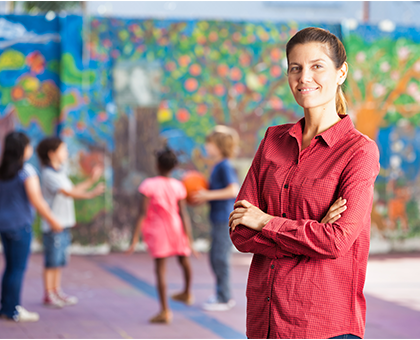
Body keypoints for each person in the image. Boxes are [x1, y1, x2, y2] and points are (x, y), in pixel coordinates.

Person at [229, 27, 380, 339]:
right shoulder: (273, 139)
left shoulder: (359, 151)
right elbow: (241, 232)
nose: (303, 78)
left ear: (341, 72)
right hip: (265, 320)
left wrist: (267, 222)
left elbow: (336, 241)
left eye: (317, 66)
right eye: (295, 68)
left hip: (323, 324)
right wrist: (312, 233)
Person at [126, 146, 195, 324]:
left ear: (157, 165)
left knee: (160, 270)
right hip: (176, 227)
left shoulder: (149, 185)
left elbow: (142, 212)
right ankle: (187, 292)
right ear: (174, 166)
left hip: (158, 231)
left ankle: (165, 311)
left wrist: (134, 238)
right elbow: (183, 213)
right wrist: (190, 238)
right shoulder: (178, 185)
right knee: (184, 260)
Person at [0, 132, 63, 322]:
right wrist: (53, 220)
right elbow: (37, 200)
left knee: (10, 267)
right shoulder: (27, 172)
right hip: (20, 226)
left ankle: (7, 307)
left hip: (4, 225)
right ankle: (12, 310)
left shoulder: (3, 171)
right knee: (17, 268)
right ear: (22, 149)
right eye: (28, 146)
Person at [36, 137, 105, 308]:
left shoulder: (60, 172)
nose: (66, 152)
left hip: (63, 224)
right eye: (63, 149)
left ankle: (56, 291)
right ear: (52, 154)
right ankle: (49, 294)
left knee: (59, 261)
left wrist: (90, 182)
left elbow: (72, 190)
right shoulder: (48, 174)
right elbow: (68, 193)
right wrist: (91, 192)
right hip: (54, 225)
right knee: (52, 261)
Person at [191, 125, 240, 311]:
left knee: (220, 257)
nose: (206, 147)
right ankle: (220, 293)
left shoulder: (225, 165)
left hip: (224, 218)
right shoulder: (218, 165)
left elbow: (233, 190)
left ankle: (225, 297)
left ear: (219, 146)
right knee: (215, 257)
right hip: (217, 217)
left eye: (209, 144)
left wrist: (207, 195)